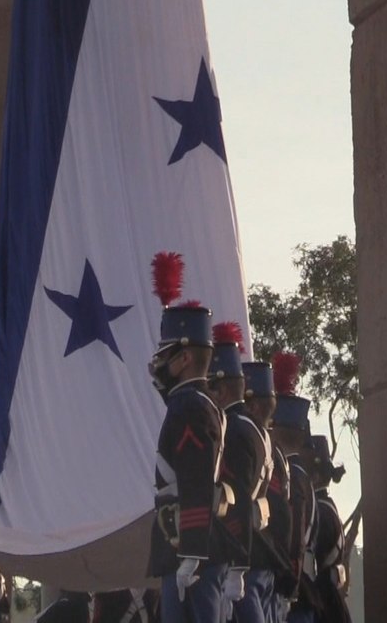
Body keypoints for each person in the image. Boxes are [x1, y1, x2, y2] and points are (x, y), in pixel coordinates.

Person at [145, 252, 226, 623]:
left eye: (166, 353)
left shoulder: (189, 408)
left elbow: (195, 480)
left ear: (185, 359)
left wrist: (192, 555)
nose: (159, 363)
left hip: (187, 550)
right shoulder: (195, 404)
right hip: (187, 548)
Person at [231, 361, 287, 623]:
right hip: (267, 551)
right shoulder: (273, 451)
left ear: (252, 405)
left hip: (251, 552)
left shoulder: (244, 437)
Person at [269, 353, 319, 623]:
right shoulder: (303, 478)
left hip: (288, 583)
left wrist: (289, 578)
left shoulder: (290, 477)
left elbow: (293, 532)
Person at [207, 322, 251, 619]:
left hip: (228, 548)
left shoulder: (232, 429)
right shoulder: (250, 427)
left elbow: (239, 497)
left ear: (220, 388)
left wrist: (238, 563)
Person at [306, 436, 351, 623]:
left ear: (314, 476)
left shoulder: (318, 511)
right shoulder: (326, 506)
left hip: (322, 601)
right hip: (331, 599)